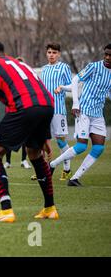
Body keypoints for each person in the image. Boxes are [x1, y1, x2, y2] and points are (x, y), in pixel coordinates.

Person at [0, 40, 57, 223]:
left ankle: (6, 210)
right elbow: (40, 93)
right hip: (47, 105)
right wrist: (45, 136)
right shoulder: (20, 63)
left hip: (23, 107)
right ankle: (50, 208)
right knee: (34, 153)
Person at [49, 44, 111, 186]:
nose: (107, 57)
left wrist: (63, 88)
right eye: (106, 54)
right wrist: (76, 103)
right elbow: (76, 80)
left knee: (99, 148)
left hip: (98, 114)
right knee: (82, 146)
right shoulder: (94, 66)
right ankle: (52, 165)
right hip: (83, 110)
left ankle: (74, 178)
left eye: (110, 55)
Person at [35, 43, 73, 180]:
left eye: (54, 52)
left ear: (59, 54)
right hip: (45, 110)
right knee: (41, 140)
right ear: (46, 53)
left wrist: (62, 87)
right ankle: (42, 170)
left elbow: (72, 86)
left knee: (60, 141)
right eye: (49, 52)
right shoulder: (44, 69)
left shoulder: (64, 67)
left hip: (58, 110)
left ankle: (67, 169)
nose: (51, 54)